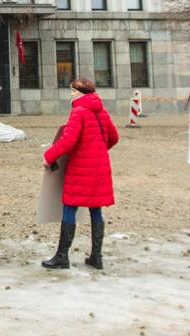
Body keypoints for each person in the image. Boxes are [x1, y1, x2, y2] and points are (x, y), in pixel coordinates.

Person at [41, 78, 119, 271]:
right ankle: (96, 257)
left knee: (69, 207)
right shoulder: (101, 110)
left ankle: (62, 256)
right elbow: (114, 136)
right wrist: (98, 149)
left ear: (81, 93)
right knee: (95, 209)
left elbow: (68, 140)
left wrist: (49, 156)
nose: (71, 94)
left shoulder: (78, 112)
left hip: (81, 168)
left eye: (74, 91)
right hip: (100, 167)